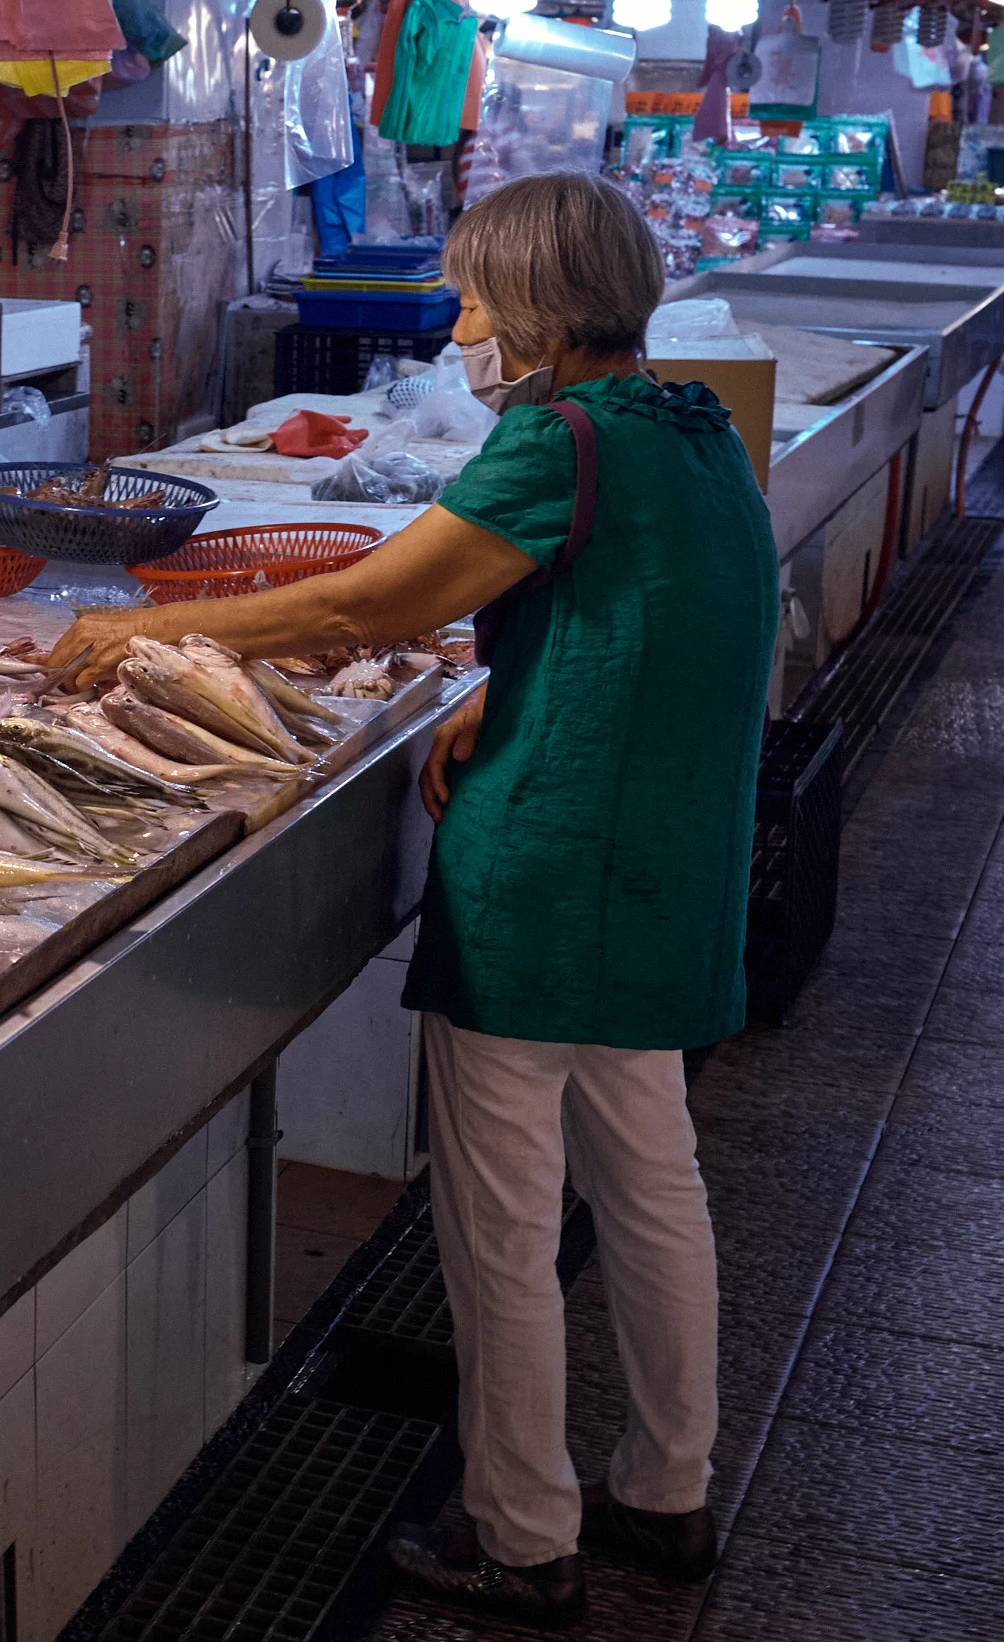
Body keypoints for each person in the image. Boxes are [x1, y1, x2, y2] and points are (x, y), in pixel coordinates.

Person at [52, 173, 775, 1631]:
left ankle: (520, 1531)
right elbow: (645, 610)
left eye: (474, 301)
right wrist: (519, 681)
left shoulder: (556, 437)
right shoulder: (688, 430)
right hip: (668, 865)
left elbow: (364, 606)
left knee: (502, 1220)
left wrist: (147, 628)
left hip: (551, 869)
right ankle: (669, 1492)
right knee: (651, 1182)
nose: (459, 328)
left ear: (549, 315)